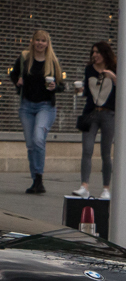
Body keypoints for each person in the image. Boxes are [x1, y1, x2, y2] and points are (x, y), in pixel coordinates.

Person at [9, 30, 63, 194]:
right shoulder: (25, 58)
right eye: (37, 40)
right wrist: (17, 81)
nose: (40, 43)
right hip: (26, 106)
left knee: (38, 138)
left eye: (43, 41)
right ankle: (35, 181)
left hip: (45, 106)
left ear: (47, 43)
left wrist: (55, 87)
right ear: (32, 42)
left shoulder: (52, 61)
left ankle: (39, 177)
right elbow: (13, 74)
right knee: (31, 144)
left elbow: (62, 85)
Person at [73, 41, 116, 200]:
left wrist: (113, 77)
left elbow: (124, 89)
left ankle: (106, 188)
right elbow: (90, 93)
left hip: (108, 114)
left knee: (106, 152)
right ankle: (84, 186)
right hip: (91, 113)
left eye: (97, 52)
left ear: (105, 54)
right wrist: (81, 90)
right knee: (87, 149)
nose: (94, 55)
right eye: (93, 52)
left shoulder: (115, 69)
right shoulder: (89, 69)